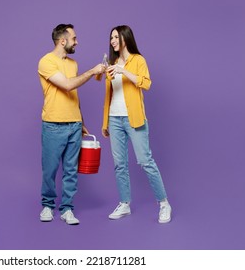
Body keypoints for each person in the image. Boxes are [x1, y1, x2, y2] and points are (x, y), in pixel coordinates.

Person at [101, 25, 172, 223]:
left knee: (145, 161)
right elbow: (109, 94)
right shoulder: (113, 62)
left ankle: (164, 203)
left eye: (116, 37)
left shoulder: (138, 60)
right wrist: (105, 121)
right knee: (119, 165)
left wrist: (123, 71)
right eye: (111, 38)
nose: (112, 41)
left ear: (125, 38)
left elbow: (146, 83)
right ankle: (124, 204)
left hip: (134, 119)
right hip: (115, 119)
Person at [38, 24, 106, 225]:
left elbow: (73, 94)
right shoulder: (46, 61)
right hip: (53, 124)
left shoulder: (73, 63)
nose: (77, 41)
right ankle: (48, 206)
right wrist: (93, 71)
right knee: (49, 170)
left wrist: (81, 120)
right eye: (74, 38)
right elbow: (67, 85)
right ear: (63, 41)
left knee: (70, 170)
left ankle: (67, 209)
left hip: (74, 124)